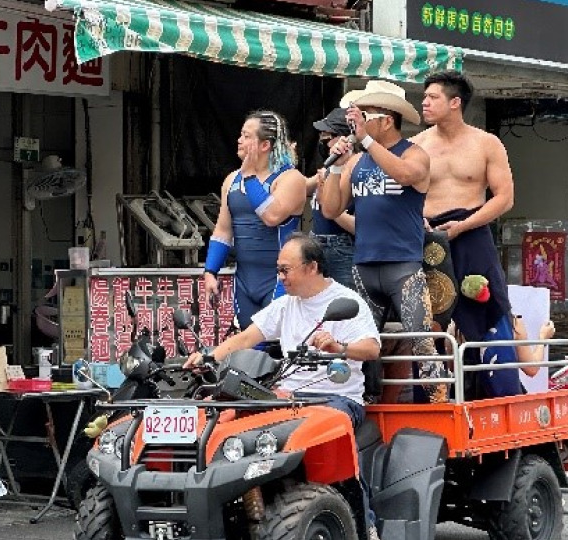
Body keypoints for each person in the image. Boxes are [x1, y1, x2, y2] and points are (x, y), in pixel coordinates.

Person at [184, 233, 382, 539]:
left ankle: (366, 524)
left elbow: (371, 349)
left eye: (285, 270)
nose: (280, 277)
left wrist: (338, 347)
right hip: (288, 396)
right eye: (278, 270)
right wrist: (208, 356)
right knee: (226, 417)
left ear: (311, 267)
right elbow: (247, 337)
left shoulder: (346, 302)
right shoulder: (286, 304)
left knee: (335, 433)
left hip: (336, 397)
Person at [320, 80, 448, 403]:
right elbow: (331, 209)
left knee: (421, 340)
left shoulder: (414, 154)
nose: (357, 124)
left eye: (365, 116)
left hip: (403, 265)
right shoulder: (357, 162)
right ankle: (367, 405)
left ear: (387, 120)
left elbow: (405, 175)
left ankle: (439, 405)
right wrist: (335, 169)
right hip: (364, 264)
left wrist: (365, 140)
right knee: (363, 342)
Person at [411, 70, 518, 399]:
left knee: (487, 309)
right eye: (425, 97)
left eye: (433, 97)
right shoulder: (416, 145)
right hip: (428, 235)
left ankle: (500, 398)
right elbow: (404, 196)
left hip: (471, 232)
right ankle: (431, 402)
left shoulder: (486, 143)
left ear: (455, 102)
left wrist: (462, 226)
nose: (425, 103)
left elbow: (504, 197)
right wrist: (417, 220)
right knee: (427, 317)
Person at [203, 110, 308, 330]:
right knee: (249, 343)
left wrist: (250, 176)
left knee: (275, 342)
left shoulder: (290, 178)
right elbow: (223, 230)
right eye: (241, 134)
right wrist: (210, 270)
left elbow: (271, 216)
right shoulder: (232, 180)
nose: (239, 140)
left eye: (246, 136)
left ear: (265, 145)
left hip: (279, 279)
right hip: (245, 280)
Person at [306, 108, 357, 289]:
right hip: (317, 241)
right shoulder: (331, 167)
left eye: (328, 136)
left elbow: (359, 226)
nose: (323, 141)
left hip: (340, 245)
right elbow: (303, 186)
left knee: (344, 299)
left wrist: (327, 205)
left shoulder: (353, 167)